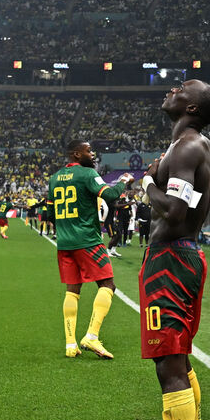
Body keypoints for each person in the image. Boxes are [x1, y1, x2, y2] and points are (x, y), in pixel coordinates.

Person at [133, 80, 210, 420]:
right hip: (178, 256)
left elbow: (175, 209)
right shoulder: (187, 146)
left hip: (171, 260)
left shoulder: (187, 147)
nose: (171, 88)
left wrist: (145, 185)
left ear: (191, 106)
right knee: (178, 358)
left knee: (168, 362)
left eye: (181, 87)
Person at [47, 140, 133, 360]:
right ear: (77, 154)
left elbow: (49, 213)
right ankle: (92, 336)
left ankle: (70, 343)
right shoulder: (87, 173)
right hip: (87, 240)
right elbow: (112, 195)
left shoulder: (54, 178)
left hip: (65, 243)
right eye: (88, 150)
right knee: (108, 284)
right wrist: (124, 181)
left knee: (72, 290)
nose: (93, 154)